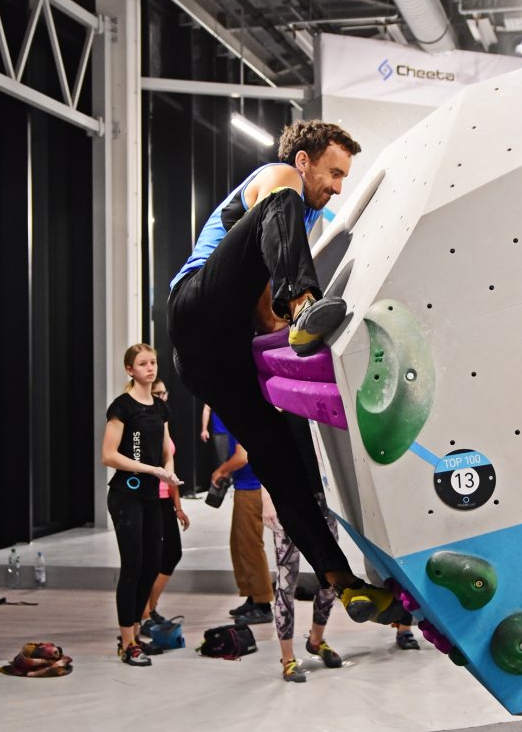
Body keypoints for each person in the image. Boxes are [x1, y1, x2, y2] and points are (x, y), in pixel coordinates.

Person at [167, 119, 408, 628]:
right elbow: (265, 271)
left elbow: (260, 314)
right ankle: (305, 300)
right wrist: (299, 309)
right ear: (304, 160)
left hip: (215, 360)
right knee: (283, 207)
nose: (338, 187)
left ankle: (341, 580)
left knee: (280, 462)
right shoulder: (281, 179)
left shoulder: (292, 226)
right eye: (334, 172)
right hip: (194, 308)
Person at [101, 344, 182, 667]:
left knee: (152, 565)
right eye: (143, 364)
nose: (150, 368)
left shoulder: (160, 409)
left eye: (153, 362)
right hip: (126, 495)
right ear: (130, 370)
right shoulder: (122, 407)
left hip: (152, 496)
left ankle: (135, 633)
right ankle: (126, 642)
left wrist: (170, 469)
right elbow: (108, 455)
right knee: (132, 566)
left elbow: (167, 450)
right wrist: (150, 469)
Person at [262, 412, 342, 684]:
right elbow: (262, 453)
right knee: (287, 580)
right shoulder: (275, 404)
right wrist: (267, 499)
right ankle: (287, 658)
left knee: (333, 577)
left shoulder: (316, 406)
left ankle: (316, 640)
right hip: (288, 499)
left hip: (323, 499)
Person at [209, 414, 274, 625]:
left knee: (250, 545)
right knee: (239, 544)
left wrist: (221, 469)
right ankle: (252, 596)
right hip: (244, 486)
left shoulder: (237, 414)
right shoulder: (225, 414)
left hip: (252, 488)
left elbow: (242, 456)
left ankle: (263, 604)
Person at [139, 379, 190, 638]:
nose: (161, 397)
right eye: (156, 393)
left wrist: (178, 507)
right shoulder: (143, 423)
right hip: (150, 500)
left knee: (170, 555)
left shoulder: (164, 421)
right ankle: (145, 612)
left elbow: (172, 470)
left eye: (163, 392)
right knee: (158, 556)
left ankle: (150, 608)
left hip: (165, 500)